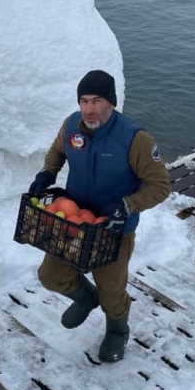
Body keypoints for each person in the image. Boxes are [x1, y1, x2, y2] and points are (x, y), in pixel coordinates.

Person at [28, 70, 171, 363]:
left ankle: (117, 330)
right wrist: (47, 172)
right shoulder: (72, 125)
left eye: (96, 101)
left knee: (112, 291)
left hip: (113, 230)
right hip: (73, 222)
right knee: (50, 275)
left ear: (111, 103)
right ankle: (85, 297)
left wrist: (128, 205)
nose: (89, 109)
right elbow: (57, 152)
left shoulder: (135, 140)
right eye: (83, 101)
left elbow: (161, 186)